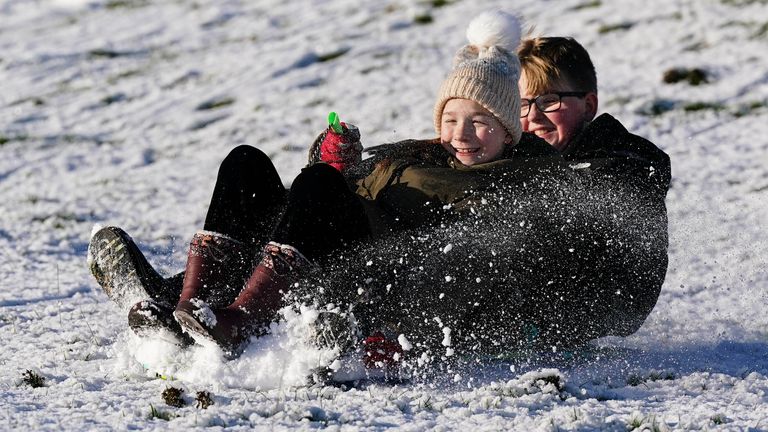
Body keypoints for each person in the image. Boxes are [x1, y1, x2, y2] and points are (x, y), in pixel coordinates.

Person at [89, 11, 565, 359]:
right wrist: (335, 160)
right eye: (453, 118)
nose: (461, 134)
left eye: (481, 122)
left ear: (509, 129)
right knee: (246, 162)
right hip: (323, 245)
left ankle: (239, 324)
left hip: (367, 279)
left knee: (318, 184)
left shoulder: (512, 185)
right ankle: (192, 306)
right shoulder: (420, 153)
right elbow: (340, 190)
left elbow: (480, 265)